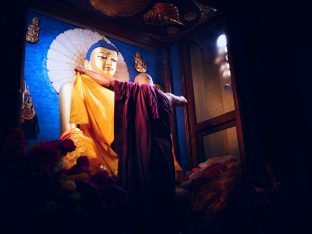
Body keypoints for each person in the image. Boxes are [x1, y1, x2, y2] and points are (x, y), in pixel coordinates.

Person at [75, 65, 187, 233]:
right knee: (163, 192)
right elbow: (184, 100)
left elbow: (107, 82)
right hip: (164, 154)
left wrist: (84, 70)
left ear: (137, 83)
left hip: (142, 151)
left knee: (141, 190)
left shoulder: (132, 89)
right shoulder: (166, 97)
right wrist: (174, 97)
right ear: (152, 83)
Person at [60, 38, 121, 176]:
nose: (109, 62)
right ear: (87, 63)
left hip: (120, 155)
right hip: (89, 155)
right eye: (102, 56)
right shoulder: (70, 88)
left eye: (113, 60)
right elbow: (69, 133)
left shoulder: (121, 95)